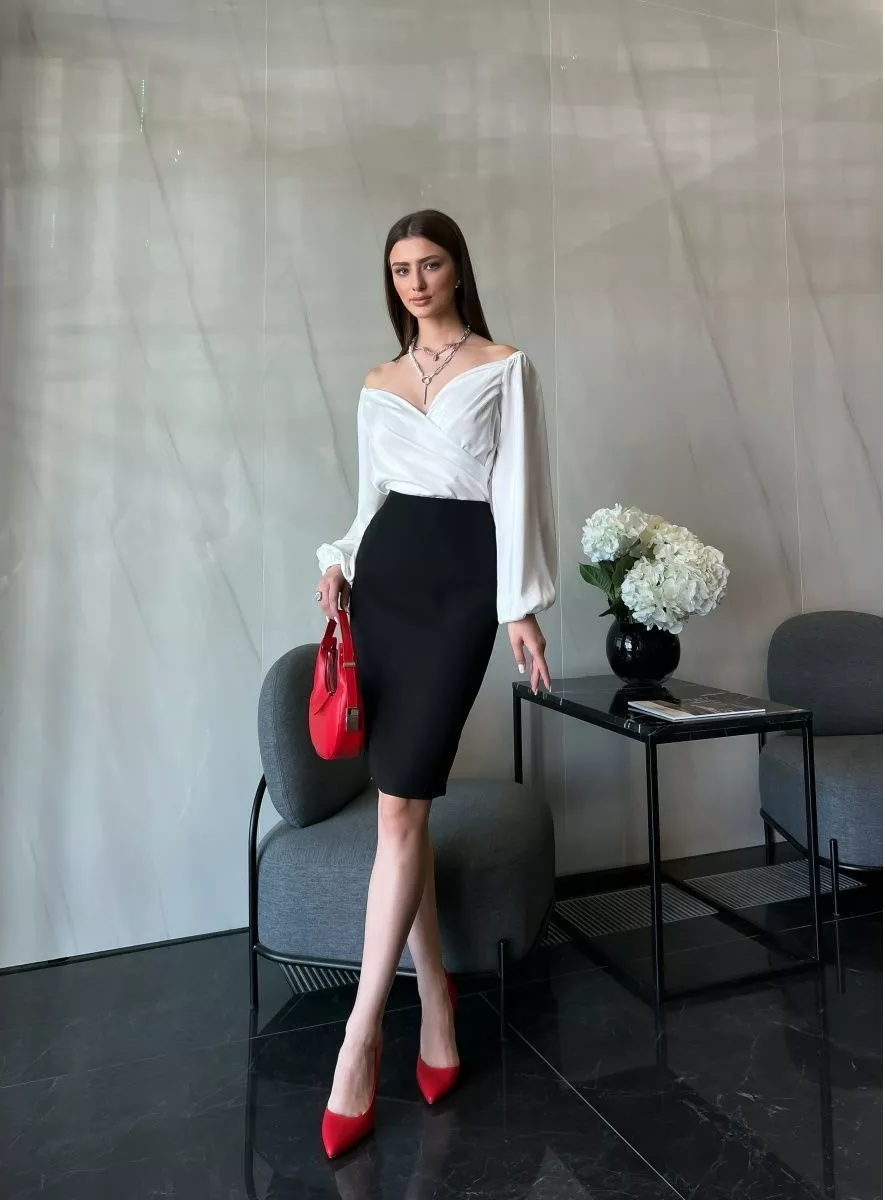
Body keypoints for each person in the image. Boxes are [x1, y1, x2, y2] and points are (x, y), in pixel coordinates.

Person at [313, 209, 558, 1158]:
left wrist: (518, 607)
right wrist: (338, 559)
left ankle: (359, 1040)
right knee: (399, 810)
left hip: (459, 589)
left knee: (401, 804)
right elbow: (368, 500)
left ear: (458, 270)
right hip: (385, 581)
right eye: (400, 269)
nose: (415, 281)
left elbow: (518, 492)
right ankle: (437, 1005)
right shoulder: (377, 381)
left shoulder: (505, 366)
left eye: (430, 264)